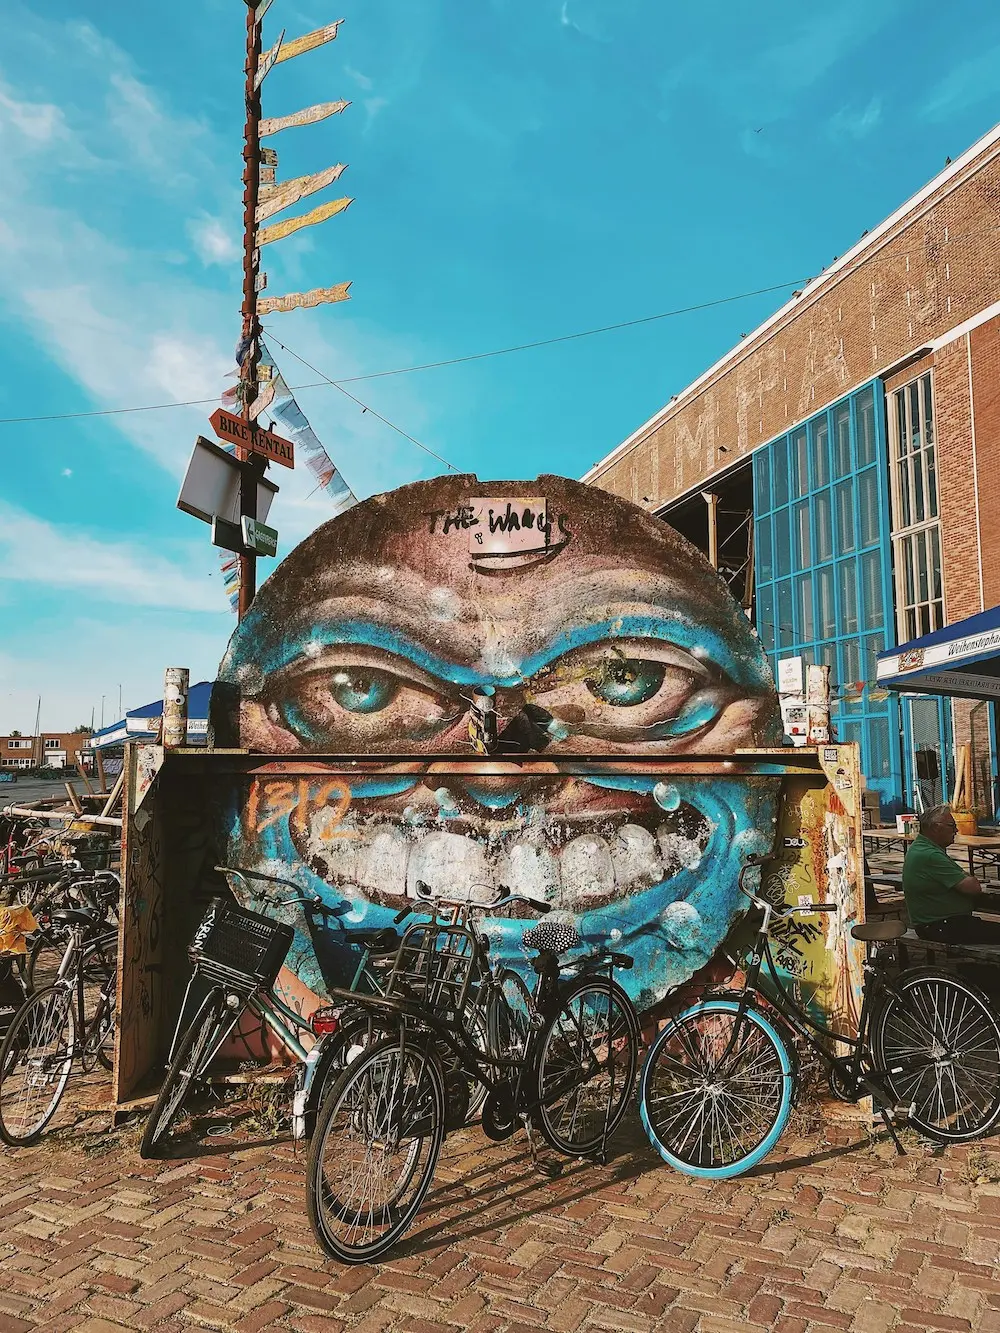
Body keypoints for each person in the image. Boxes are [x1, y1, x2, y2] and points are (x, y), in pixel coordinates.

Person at [902, 804, 1000, 944]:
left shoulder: (923, 848)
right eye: (952, 826)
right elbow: (973, 887)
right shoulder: (929, 854)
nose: (956, 830)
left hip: (943, 922)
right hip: (941, 926)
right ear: (936, 827)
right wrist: (966, 877)